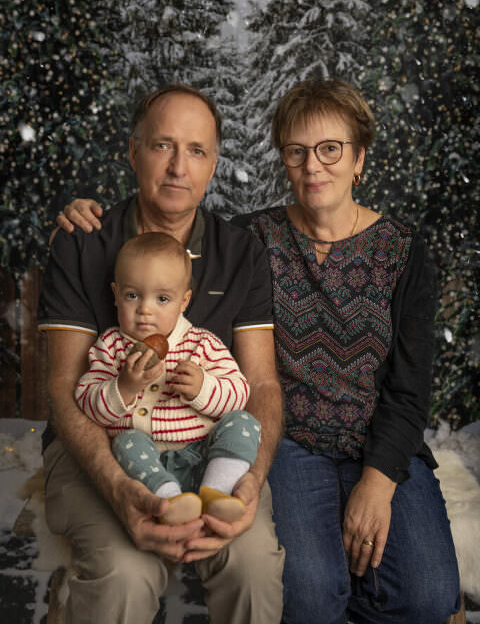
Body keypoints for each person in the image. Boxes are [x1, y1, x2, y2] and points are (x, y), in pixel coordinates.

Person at [62, 78, 461, 624]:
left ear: (359, 157)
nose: (313, 166)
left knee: (429, 596)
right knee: (310, 596)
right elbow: (161, 239)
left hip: (382, 442)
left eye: (330, 149)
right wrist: (86, 212)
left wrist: (378, 479)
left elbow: (411, 389)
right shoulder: (256, 239)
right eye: (296, 152)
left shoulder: (406, 253)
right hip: (294, 443)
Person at [38, 83, 284, 624]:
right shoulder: (84, 242)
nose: (178, 167)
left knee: (252, 566)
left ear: (213, 164)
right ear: (132, 152)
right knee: (125, 575)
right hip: (98, 447)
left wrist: (250, 479)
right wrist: (122, 489)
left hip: (205, 447)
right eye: (162, 146)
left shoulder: (239, 253)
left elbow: (261, 386)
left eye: (196, 151)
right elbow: (63, 390)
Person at [76, 231, 261, 525]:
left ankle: (217, 492)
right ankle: (169, 499)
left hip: (202, 455)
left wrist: (203, 387)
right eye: (132, 295)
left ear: (184, 301)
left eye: (162, 299)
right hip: (144, 466)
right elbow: (87, 401)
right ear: (115, 294)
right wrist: (123, 387)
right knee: (126, 441)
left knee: (245, 423)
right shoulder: (110, 347)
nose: (145, 310)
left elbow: (239, 392)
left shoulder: (202, 344)